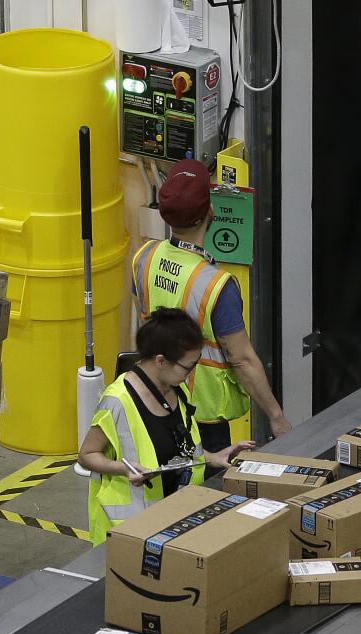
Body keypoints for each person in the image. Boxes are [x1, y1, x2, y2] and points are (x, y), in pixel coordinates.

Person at [132, 158, 291, 457]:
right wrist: (276, 416)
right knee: (206, 495)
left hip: (153, 400)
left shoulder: (144, 258)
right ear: (210, 211)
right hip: (203, 417)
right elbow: (242, 359)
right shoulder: (217, 286)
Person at [78, 307, 256, 545]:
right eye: (187, 367)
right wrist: (124, 469)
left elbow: (180, 450)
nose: (191, 374)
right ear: (161, 361)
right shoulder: (118, 401)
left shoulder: (177, 390)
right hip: (133, 531)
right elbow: (87, 455)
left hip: (176, 520)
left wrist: (213, 457)